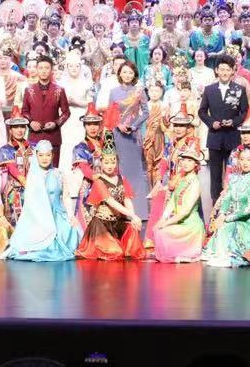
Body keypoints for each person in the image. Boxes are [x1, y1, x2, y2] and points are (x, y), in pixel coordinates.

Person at [4, 140, 81, 262]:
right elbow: (30, 204)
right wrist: (41, 220)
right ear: (36, 156)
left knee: (70, 230)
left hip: (57, 214)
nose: (44, 158)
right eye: (41, 155)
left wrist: (71, 215)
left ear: (53, 155)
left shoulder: (58, 174)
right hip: (38, 217)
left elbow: (65, 196)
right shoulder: (33, 177)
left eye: (48, 155)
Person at [202, 145, 250, 267]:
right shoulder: (234, 179)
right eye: (242, 159)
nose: (245, 163)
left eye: (249, 159)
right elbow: (227, 199)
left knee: (228, 226)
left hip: (249, 223)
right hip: (232, 219)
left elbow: (248, 209)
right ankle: (220, 254)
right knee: (224, 226)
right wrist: (222, 214)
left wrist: (226, 218)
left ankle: (228, 256)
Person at [77, 147, 147, 261]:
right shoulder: (99, 181)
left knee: (133, 244)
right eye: (106, 162)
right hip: (102, 225)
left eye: (113, 162)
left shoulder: (122, 179)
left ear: (117, 162)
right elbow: (111, 202)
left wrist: (133, 218)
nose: (110, 166)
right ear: (101, 163)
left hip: (119, 222)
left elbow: (127, 199)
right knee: (116, 252)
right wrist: (133, 215)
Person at [106, 59, 151, 229]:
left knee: (136, 172)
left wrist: (134, 126)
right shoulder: (113, 92)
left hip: (133, 135)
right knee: (121, 171)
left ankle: (140, 212)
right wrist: (118, 125)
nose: (127, 75)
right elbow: (109, 114)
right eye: (124, 72)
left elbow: (145, 113)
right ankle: (123, 211)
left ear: (134, 75)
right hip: (118, 135)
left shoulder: (139, 91)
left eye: (130, 72)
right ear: (119, 74)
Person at [198, 56, 250, 200]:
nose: (225, 72)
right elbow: (202, 111)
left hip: (232, 137)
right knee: (215, 175)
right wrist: (211, 123)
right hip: (214, 138)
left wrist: (233, 122)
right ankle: (216, 204)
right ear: (216, 70)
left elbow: (244, 111)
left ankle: (232, 202)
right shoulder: (209, 90)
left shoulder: (239, 89)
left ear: (232, 71)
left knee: (233, 172)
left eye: (227, 70)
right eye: (222, 69)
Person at [150, 148, 208, 262]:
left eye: (190, 161)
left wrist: (165, 223)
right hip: (180, 223)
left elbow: (185, 211)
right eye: (184, 160)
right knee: (158, 230)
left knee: (162, 232)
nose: (186, 163)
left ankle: (186, 252)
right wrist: (162, 220)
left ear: (196, 164)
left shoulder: (195, 183)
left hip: (191, 226)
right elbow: (172, 202)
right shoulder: (182, 179)